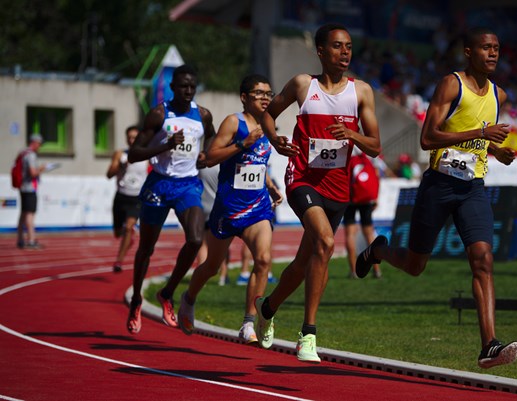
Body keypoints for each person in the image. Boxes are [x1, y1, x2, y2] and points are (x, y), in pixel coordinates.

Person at [356, 27, 517, 369]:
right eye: (485, 48)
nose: (492, 53)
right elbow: (428, 138)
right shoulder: (452, 84)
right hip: (439, 185)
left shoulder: (498, 95)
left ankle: (489, 344)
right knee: (415, 266)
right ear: (467, 52)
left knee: (483, 260)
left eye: (496, 48)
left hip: (473, 187)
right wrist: (481, 133)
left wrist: (495, 150)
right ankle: (379, 250)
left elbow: (477, 134)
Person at [254, 23, 381, 363]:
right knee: (325, 242)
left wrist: (353, 136)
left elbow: (375, 146)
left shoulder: (362, 92)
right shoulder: (302, 85)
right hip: (303, 178)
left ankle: (266, 308)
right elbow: (269, 113)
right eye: (338, 46)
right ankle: (308, 335)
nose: (345, 53)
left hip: (338, 189)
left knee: (301, 264)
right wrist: (276, 139)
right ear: (321, 51)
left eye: (350, 47)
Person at [177, 74, 283, 344]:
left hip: (258, 206)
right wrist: (241, 144)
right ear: (244, 97)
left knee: (263, 260)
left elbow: (257, 163)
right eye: (259, 93)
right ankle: (188, 298)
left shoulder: (269, 124)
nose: (265, 98)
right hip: (228, 209)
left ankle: (249, 322)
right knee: (212, 266)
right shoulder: (234, 122)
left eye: (268, 94)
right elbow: (209, 158)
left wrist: (269, 184)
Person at [126, 64, 215, 334]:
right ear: (173, 87)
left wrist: (205, 155)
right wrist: (165, 144)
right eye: (183, 86)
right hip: (159, 184)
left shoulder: (203, 114)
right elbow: (133, 154)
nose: (188, 90)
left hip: (187, 184)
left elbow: (210, 138)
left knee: (196, 240)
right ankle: (137, 298)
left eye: (192, 86)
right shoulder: (158, 114)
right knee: (146, 249)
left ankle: (167, 292)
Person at [106, 125, 149, 273]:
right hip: (121, 197)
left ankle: (119, 261)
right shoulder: (120, 154)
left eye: (134, 137)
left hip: (136, 199)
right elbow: (109, 174)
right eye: (129, 137)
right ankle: (127, 238)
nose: (132, 140)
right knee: (118, 233)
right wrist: (120, 167)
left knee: (129, 228)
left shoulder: (147, 156)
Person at [344, 149, 382, 279]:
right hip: (366, 197)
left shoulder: (345, 147)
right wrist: (376, 197)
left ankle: (353, 271)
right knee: (369, 233)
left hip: (349, 197)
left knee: (350, 234)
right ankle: (376, 270)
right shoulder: (367, 148)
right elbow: (376, 174)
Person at [16, 133, 46, 249]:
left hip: (22, 187)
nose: (40, 146)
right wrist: (42, 169)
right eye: (39, 144)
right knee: (30, 214)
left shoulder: (23, 153)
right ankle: (31, 240)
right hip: (29, 187)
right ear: (34, 142)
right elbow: (33, 172)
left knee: (23, 213)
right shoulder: (31, 155)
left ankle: (20, 239)